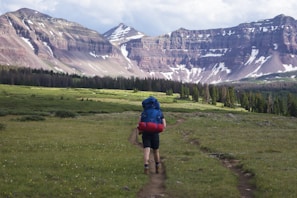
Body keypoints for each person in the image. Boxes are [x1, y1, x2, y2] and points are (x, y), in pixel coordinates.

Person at [137, 96, 166, 174]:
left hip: (145, 133)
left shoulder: (144, 112)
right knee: (156, 150)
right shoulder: (159, 112)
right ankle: (157, 167)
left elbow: (139, 124)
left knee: (147, 150)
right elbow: (164, 125)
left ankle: (146, 166)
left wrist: (140, 131)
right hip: (155, 134)